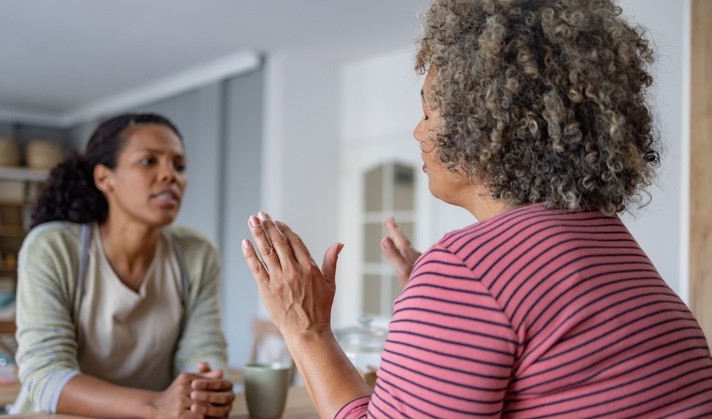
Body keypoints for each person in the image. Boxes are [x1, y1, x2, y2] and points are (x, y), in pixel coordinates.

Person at [241, 0, 712, 417]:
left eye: (428, 112)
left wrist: (307, 329)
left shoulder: (468, 272)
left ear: (484, 124)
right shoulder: (608, 241)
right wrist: (453, 308)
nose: (417, 132)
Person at [12, 113, 234, 418]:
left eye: (179, 166)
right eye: (148, 161)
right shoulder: (52, 248)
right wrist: (156, 405)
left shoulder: (197, 253)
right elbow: (46, 376)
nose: (170, 175)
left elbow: (202, 347)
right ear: (104, 178)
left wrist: (205, 386)